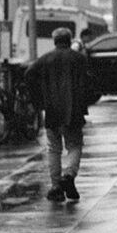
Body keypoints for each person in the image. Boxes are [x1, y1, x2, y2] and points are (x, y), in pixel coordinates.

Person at [25, 27, 90, 203]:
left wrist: (39, 101)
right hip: (73, 109)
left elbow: (29, 74)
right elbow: (88, 82)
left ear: (55, 41)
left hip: (52, 109)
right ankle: (68, 176)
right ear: (69, 40)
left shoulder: (45, 59)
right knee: (75, 145)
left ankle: (56, 187)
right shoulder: (79, 59)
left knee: (54, 148)